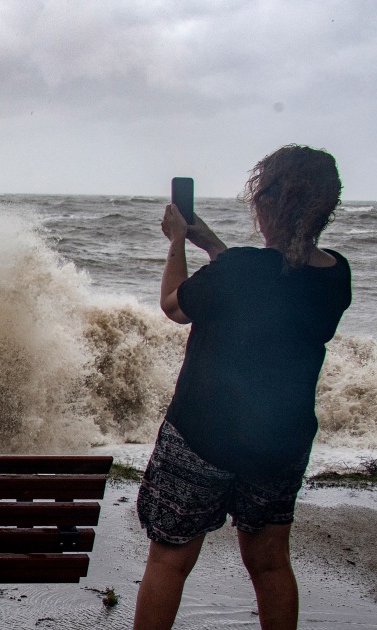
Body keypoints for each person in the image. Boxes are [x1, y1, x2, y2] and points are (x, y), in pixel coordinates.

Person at [134, 145, 352, 630]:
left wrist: (175, 243)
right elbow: (271, 281)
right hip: (281, 443)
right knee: (271, 563)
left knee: (170, 561)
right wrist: (211, 244)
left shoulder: (242, 271)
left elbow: (174, 306)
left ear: (265, 203)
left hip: (202, 435)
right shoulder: (337, 275)